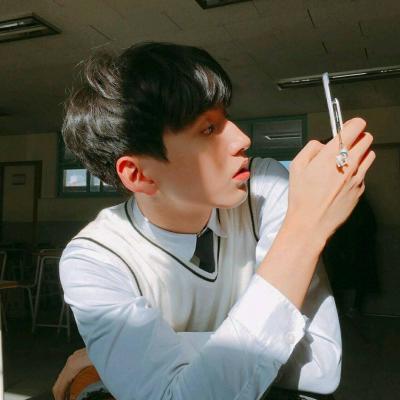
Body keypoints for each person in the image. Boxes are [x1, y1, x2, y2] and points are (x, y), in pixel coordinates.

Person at [54, 42, 375, 400]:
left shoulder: (264, 187)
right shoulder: (95, 260)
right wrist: (305, 230)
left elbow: (321, 366)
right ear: (139, 174)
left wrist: (129, 360)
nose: (242, 138)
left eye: (227, 118)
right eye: (208, 129)